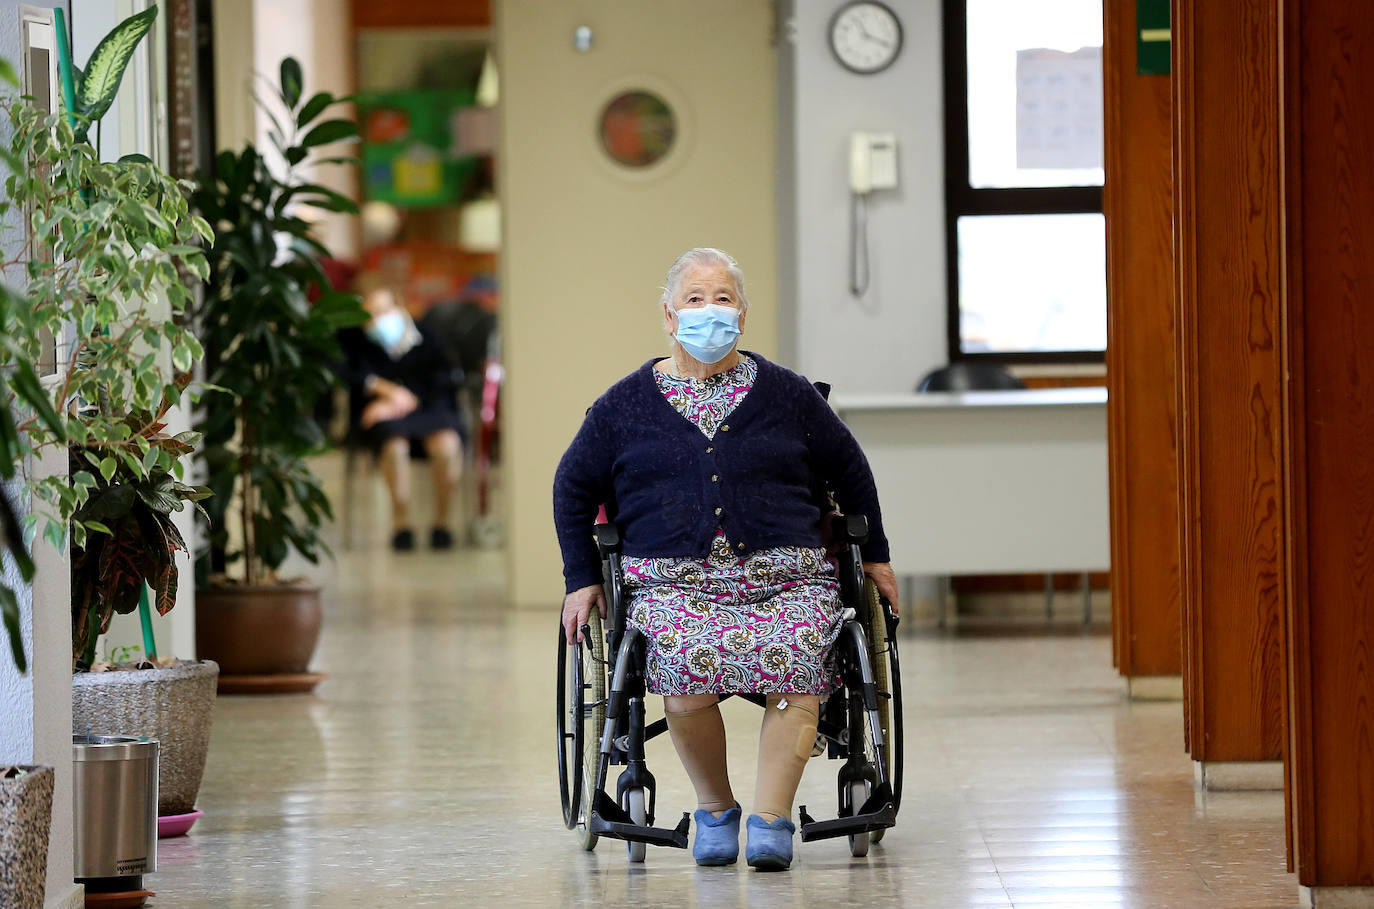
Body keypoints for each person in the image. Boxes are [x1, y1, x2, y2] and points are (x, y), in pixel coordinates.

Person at [553, 248, 898, 870]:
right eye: (694, 299)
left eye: (722, 299)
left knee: (796, 656)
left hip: (786, 578)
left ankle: (772, 819)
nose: (708, 312)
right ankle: (715, 809)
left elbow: (851, 471)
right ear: (667, 315)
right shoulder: (624, 405)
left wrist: (875, 558)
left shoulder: (790, 395)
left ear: (742, 313)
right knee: (683, 660)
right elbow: (572, 487)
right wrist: (581, 579)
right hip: (674, 584)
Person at [339, 274, 464, 552]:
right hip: (385, 422)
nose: (378, 321)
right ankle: (401, 525)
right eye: (369, 316)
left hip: (431, 411)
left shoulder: (427, 337)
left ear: (398, 305)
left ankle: (442, 524)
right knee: (394, 447)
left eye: (383, 311)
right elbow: (347, 372)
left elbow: (444, 381)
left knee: (447, 445)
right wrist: (384, 390)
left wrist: (405, 399)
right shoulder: (355, 341)